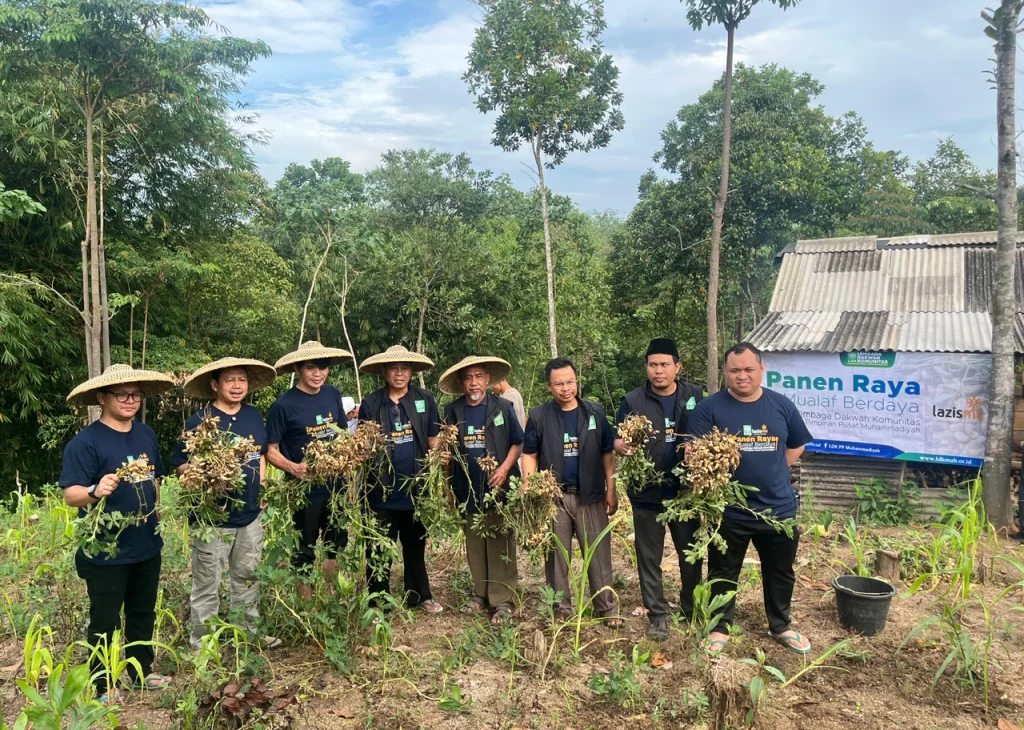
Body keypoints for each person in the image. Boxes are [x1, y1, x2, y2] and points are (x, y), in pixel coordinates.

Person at [688, 341, 813, 656]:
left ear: (761, 369)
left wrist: (774, 470)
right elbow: (695, 453)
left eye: (748, 369)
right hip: (730, 510)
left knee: (780, 570)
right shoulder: (709, 408)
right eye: (735, 370)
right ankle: (720, 626)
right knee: (723, 571)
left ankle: (780, 625)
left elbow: (797, 444)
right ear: (725, 371)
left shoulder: (781, 405)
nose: (742, 376)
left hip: (778, 509)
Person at [60, 364, 175, 703]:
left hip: (146, 542)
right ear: (102, 397)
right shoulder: (85, 443)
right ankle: (103, 684)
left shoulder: (145, 434)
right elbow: (71, 495)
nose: (130, 400)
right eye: (121, 394)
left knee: (143, 611)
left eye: (135, 394)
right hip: (106, 549)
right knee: (105, 619)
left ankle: (142, 671)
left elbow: (154, 479)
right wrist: (95, 489)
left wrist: (157, 515)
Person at [173, 358, 277, 651]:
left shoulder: (254, 416)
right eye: (230, 380)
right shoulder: (200, 421)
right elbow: (180, 465)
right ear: (215, 385)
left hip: (250, 515)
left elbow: (260, 454)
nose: (236, 385)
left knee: (248, 578)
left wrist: (264, 484)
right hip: (212, 518)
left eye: (241, 379)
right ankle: (203, 646)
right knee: (208, 584)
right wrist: (204, 470)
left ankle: (247, 636)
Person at [614, 338, 704, 641]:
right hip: (647, 492)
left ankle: (691, 609)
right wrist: (621, 445)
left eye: (665, 364)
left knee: (690, 554)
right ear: (646, 367)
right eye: (653, 364)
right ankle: (657, 614)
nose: (658, 370)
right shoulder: (633, 400)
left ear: (677, 367)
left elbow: (708, 429)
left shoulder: (695, 395)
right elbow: (618, 436)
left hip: (686, 492)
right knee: (649, 557)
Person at [522, 357, 621, 627]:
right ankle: (560, 609)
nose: (565, 388)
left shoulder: (594, 412)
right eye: (559, 384)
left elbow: (607, 453)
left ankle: (606, 607)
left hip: (591, 495)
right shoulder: (539, 416)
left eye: (570, 382)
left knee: (599, 554)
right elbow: (530, 454)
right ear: (548, 386)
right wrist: (529, 484)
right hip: (555, 498)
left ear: (577, 381)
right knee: (557, 556)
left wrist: (611, 490)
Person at [357, 345, 443, 614]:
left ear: (411, 371)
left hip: (416, 489)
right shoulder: (371, 403)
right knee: (378, 548)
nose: (399, 373)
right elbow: (363, 447)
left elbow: (433, 439)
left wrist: (442, 457)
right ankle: (378, 601)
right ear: (384, 371)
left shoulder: (425, 399)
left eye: (404, 368)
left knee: (416, 545)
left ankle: (419, 595)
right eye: (393, 368)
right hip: (380, 490)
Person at [439, 355, 524, 624]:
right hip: (467, 487)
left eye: (478, 376)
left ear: (487, 379)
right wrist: (448, 489)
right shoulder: (453, 411)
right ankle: (480, 594)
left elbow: (517, 442)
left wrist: (504, 469)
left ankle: (503, 600)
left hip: (500, 489)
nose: (474, 383)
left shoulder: (503, 407)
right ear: (461, 383)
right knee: (475, 543)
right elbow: (446, 453)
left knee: (501, 542)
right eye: (468, 378)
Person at [266, 341, 352, 596]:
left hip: (335, 485)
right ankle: (307, 605)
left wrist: (346, 469)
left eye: (323, 367)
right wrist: (293, 468)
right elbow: (269, 449)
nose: (318, 374)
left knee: (335, 541)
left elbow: (342, 433)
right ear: (298, 368)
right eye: (311, 367)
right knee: (304, 546)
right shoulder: (283, 406)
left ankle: (331, 594)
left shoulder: (332, 394)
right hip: (304, 490)